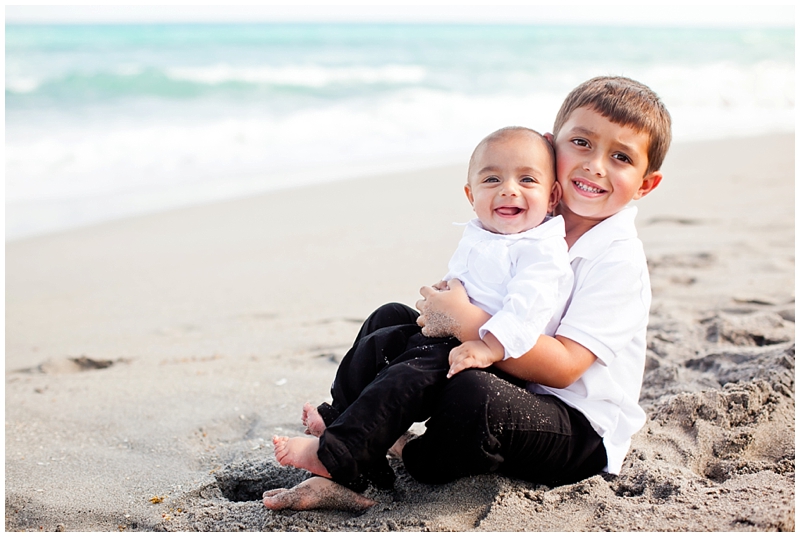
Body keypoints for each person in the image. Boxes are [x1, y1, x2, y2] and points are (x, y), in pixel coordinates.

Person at [263, 75, 671, 511]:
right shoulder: (532, 216)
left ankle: (408, 454)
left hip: (574, 426)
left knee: (474, 396)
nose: (595, 166)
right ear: (552, 147)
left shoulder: (617, 259)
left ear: (645, 184)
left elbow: (566, 368)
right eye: (582, 144)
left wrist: (463, 322)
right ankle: (346, 437)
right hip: (513, 376)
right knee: (390, 322)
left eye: (621, 157)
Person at [269, 126, 573, 494]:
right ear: (470, 194)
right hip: (452, 334)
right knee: (383, 329)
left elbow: (527, 309)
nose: (509, 188)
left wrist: (488, 346)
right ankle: (340, 420)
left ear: (552, 195)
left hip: (492, 359)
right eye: (492, 179)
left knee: (409, 373)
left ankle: (339, 455)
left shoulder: (541, 249)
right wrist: (444, 295)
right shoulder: (484, 231)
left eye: (527, 179)